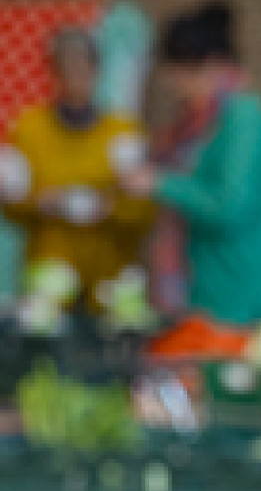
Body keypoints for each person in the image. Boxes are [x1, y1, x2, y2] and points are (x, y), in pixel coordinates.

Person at [122, 0, 261, 325]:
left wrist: (160, 182)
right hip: (202, 288)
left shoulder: (244, 116)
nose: (175, 85)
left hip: (242, 291)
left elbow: (229, 205)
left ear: (214, 64)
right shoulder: (191, 125)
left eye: (184, 72)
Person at [0, 27, 153, 307]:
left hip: (110, 277)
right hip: (50, 275)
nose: (74, 82)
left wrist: (113, 207)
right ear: (53, 74)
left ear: (96, 71)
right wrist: (39, 202)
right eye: (65, 70)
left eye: (82, 70)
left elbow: (145, 210)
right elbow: (11, 204)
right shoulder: (30, 129)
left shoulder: (122, 132)